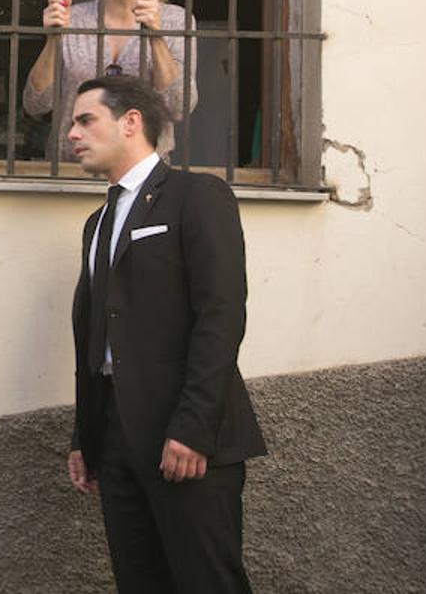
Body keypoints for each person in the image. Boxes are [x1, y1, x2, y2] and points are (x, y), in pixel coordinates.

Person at [63, 75, 266, 593]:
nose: (72, 134)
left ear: (131, 122)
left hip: (187, 434)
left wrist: (193, 428)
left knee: (206, 582)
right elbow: (96, 333)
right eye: (72, 123)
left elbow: (221, 316)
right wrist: (86, 436)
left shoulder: (195, 195)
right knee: (139, 582)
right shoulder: (97, 221)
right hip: (115, 436)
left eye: (85, 120)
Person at [23, 0, 198, 163]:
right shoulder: (74, 17)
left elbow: (179, 106)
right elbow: (35, 104)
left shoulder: (176, 21)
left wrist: (155, 36)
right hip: (71, 173)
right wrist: (53, 39)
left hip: (143, 177)